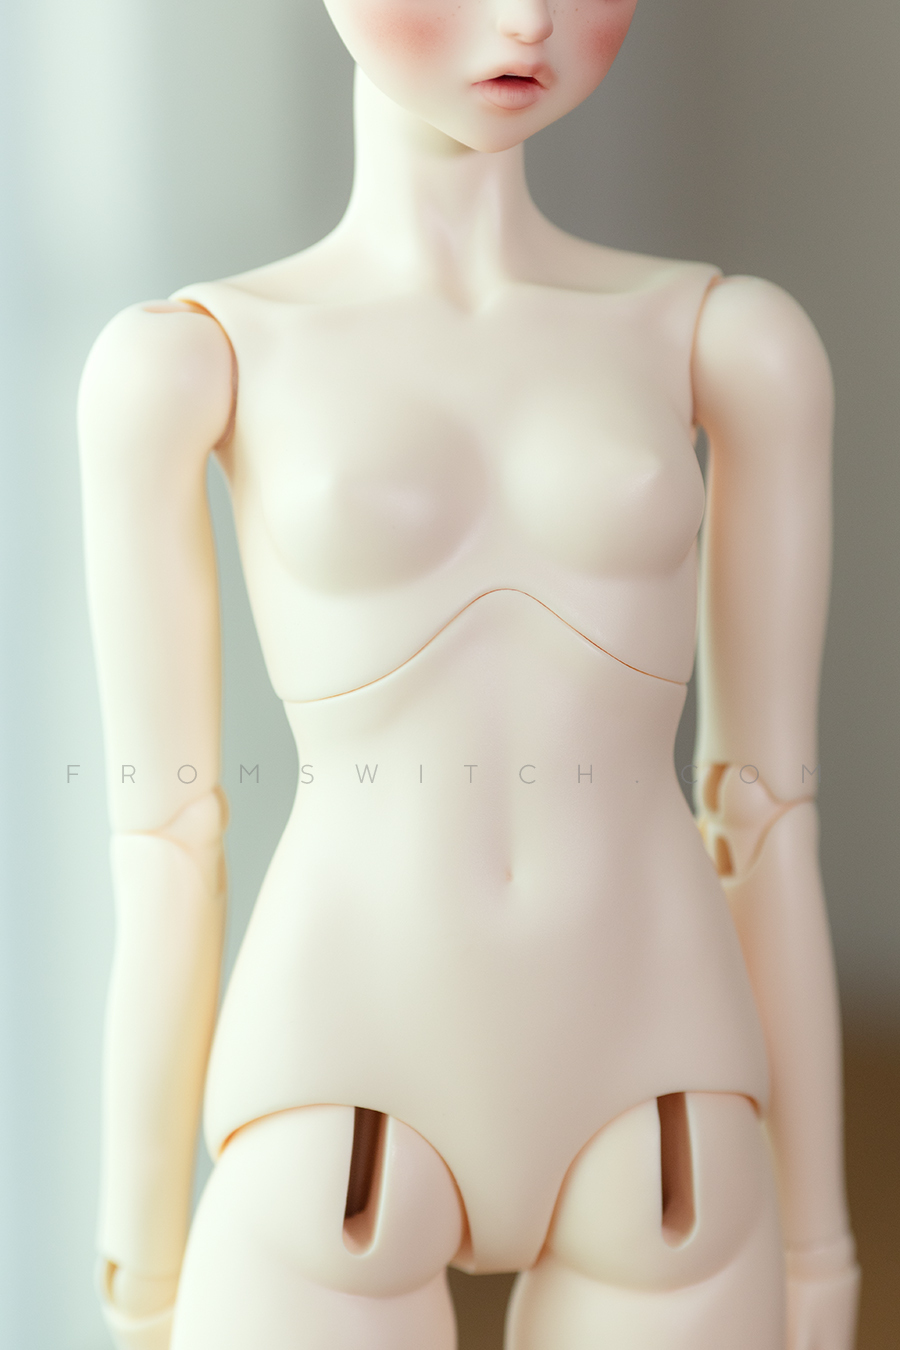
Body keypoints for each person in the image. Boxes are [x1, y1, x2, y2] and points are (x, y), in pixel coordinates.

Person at [78, 0, 859, 1345]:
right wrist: (139, 1271)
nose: (527, 18)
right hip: (337, 1086)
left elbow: (766, 813)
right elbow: (165, 837)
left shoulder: (729, 343)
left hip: (661, 1099)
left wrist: (818, 1252)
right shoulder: (189, 361)